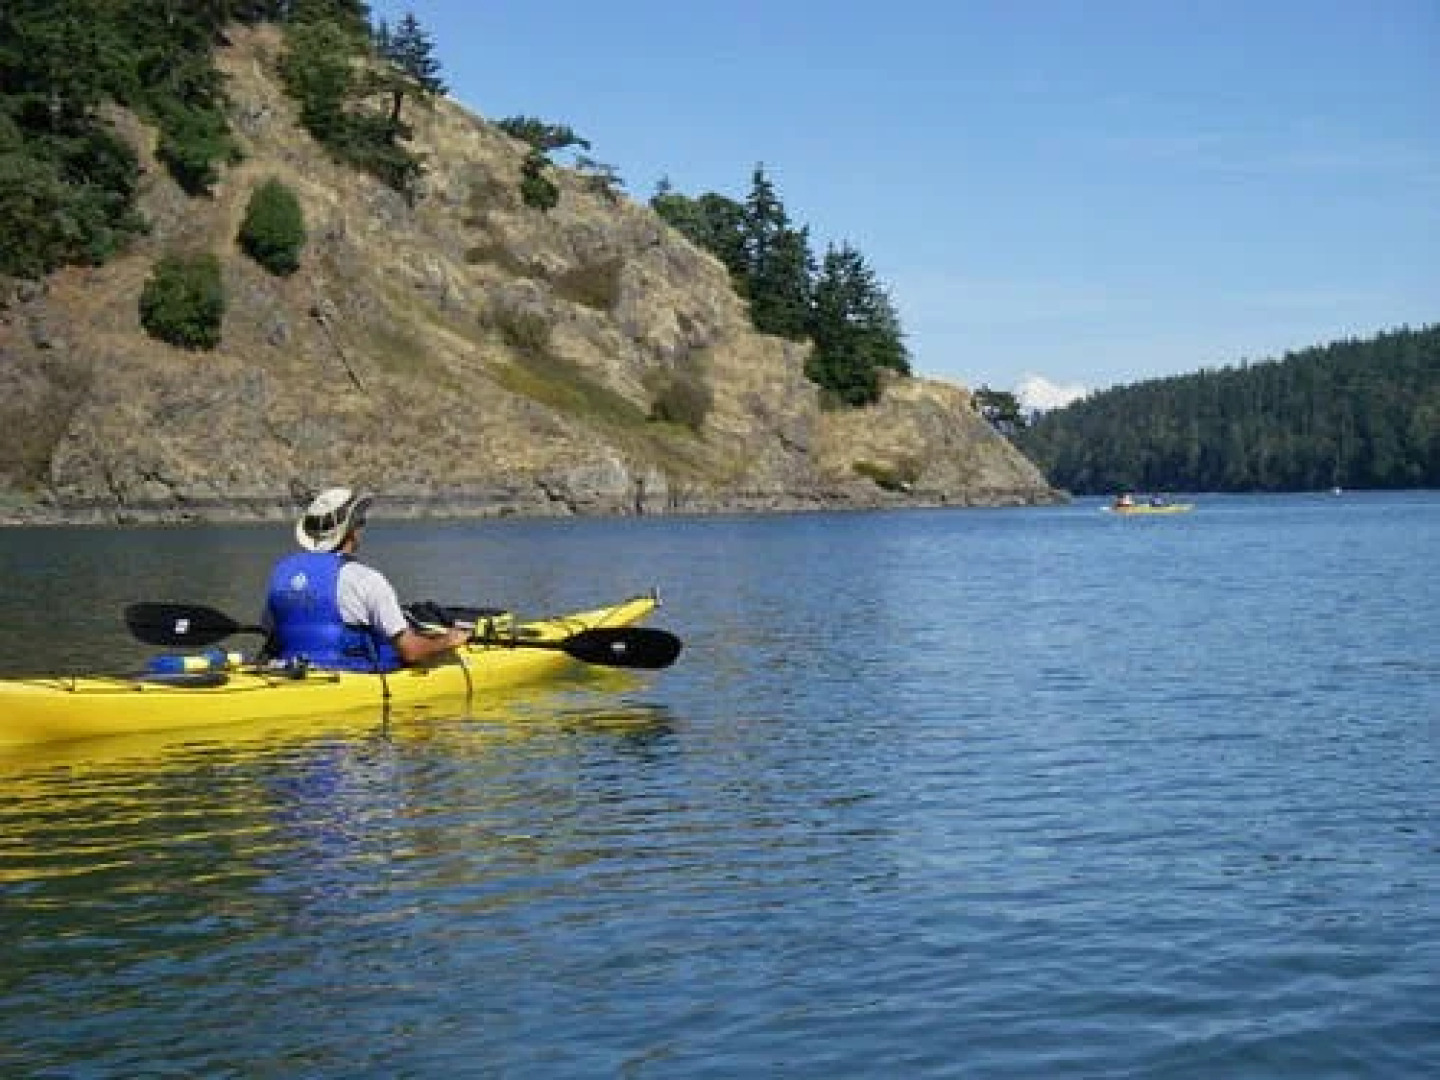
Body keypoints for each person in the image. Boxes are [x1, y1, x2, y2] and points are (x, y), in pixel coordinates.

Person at [262, 487, 469, 671]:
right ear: (352, 531)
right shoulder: (366, 579)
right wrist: (447, 641)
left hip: (290, 672)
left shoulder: (282, 573)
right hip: (349, 676)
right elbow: (410, 651)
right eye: (360, 522)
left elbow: (271, 631)